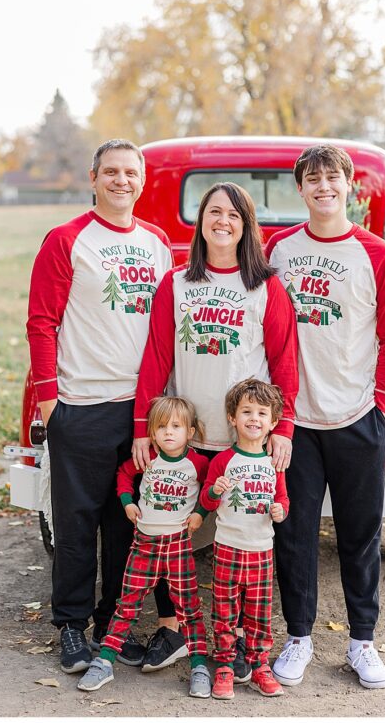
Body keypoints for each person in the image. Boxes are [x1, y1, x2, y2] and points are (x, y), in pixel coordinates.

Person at [132, 181, 298, 680]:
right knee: (167, 529)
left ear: (247, 226)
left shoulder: (264, 286)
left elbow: (284, 361)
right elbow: (157, 358)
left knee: (245, 541)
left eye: (233, 214)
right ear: (201, 221)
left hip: (245, 440)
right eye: (213, 212)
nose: (222, 221)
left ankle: (246, 640)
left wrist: (282, 427)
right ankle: (175, 628)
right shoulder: (176, 283)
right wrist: (145, 426)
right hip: (187, 435)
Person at [26, 139, 174, 672]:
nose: (121, 181)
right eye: (110, 172)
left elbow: (162, 330)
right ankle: (71, 626)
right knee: (75, 526)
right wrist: (50, 404)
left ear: (142, 179)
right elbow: (41, 322)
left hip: (138, 413)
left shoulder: (158, 243)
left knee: (125, 527)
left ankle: (113, 627)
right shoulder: (67, 240)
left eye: (130, 173)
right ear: (93, 178)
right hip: (79, 405)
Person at [267, 144, 385, 690]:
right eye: (312, 179)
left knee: (360, 534)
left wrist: (380, 404)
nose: (323, 186)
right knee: (295, 534)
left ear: (350, 186)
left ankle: (362, 642)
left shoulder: (377, 255)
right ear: (299, 189)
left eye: (333, 177)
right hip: (294, 422)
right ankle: (298, 637)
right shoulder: (279, 249)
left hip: (356, 416)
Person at [77, 396, 212, 697]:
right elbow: (124, 475)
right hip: (145, 544)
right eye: (161, 426)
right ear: (151, 432)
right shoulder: (147, 457)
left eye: (176, 426)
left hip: (177, 546)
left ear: (190, 432)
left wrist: (200, 514)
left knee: (189, 610)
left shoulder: (198, 463)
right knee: (126, 606)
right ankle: (105, 661)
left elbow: (211, 487)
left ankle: (199, 666)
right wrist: (127, 503)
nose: (168, 432)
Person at [199, 378, 290, 700]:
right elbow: (208, 502)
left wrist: (280, 511)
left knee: (259, 612)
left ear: (273, 422)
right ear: (232, 418)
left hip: (261, 549)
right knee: (224, 610)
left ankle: (259, 665)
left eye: (262, 413)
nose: (254, 418)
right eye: (246, 411)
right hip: (228, 547)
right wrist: (214, 491)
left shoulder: (273, 464)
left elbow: (283, 499)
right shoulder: (223, 460)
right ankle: (224, 665)